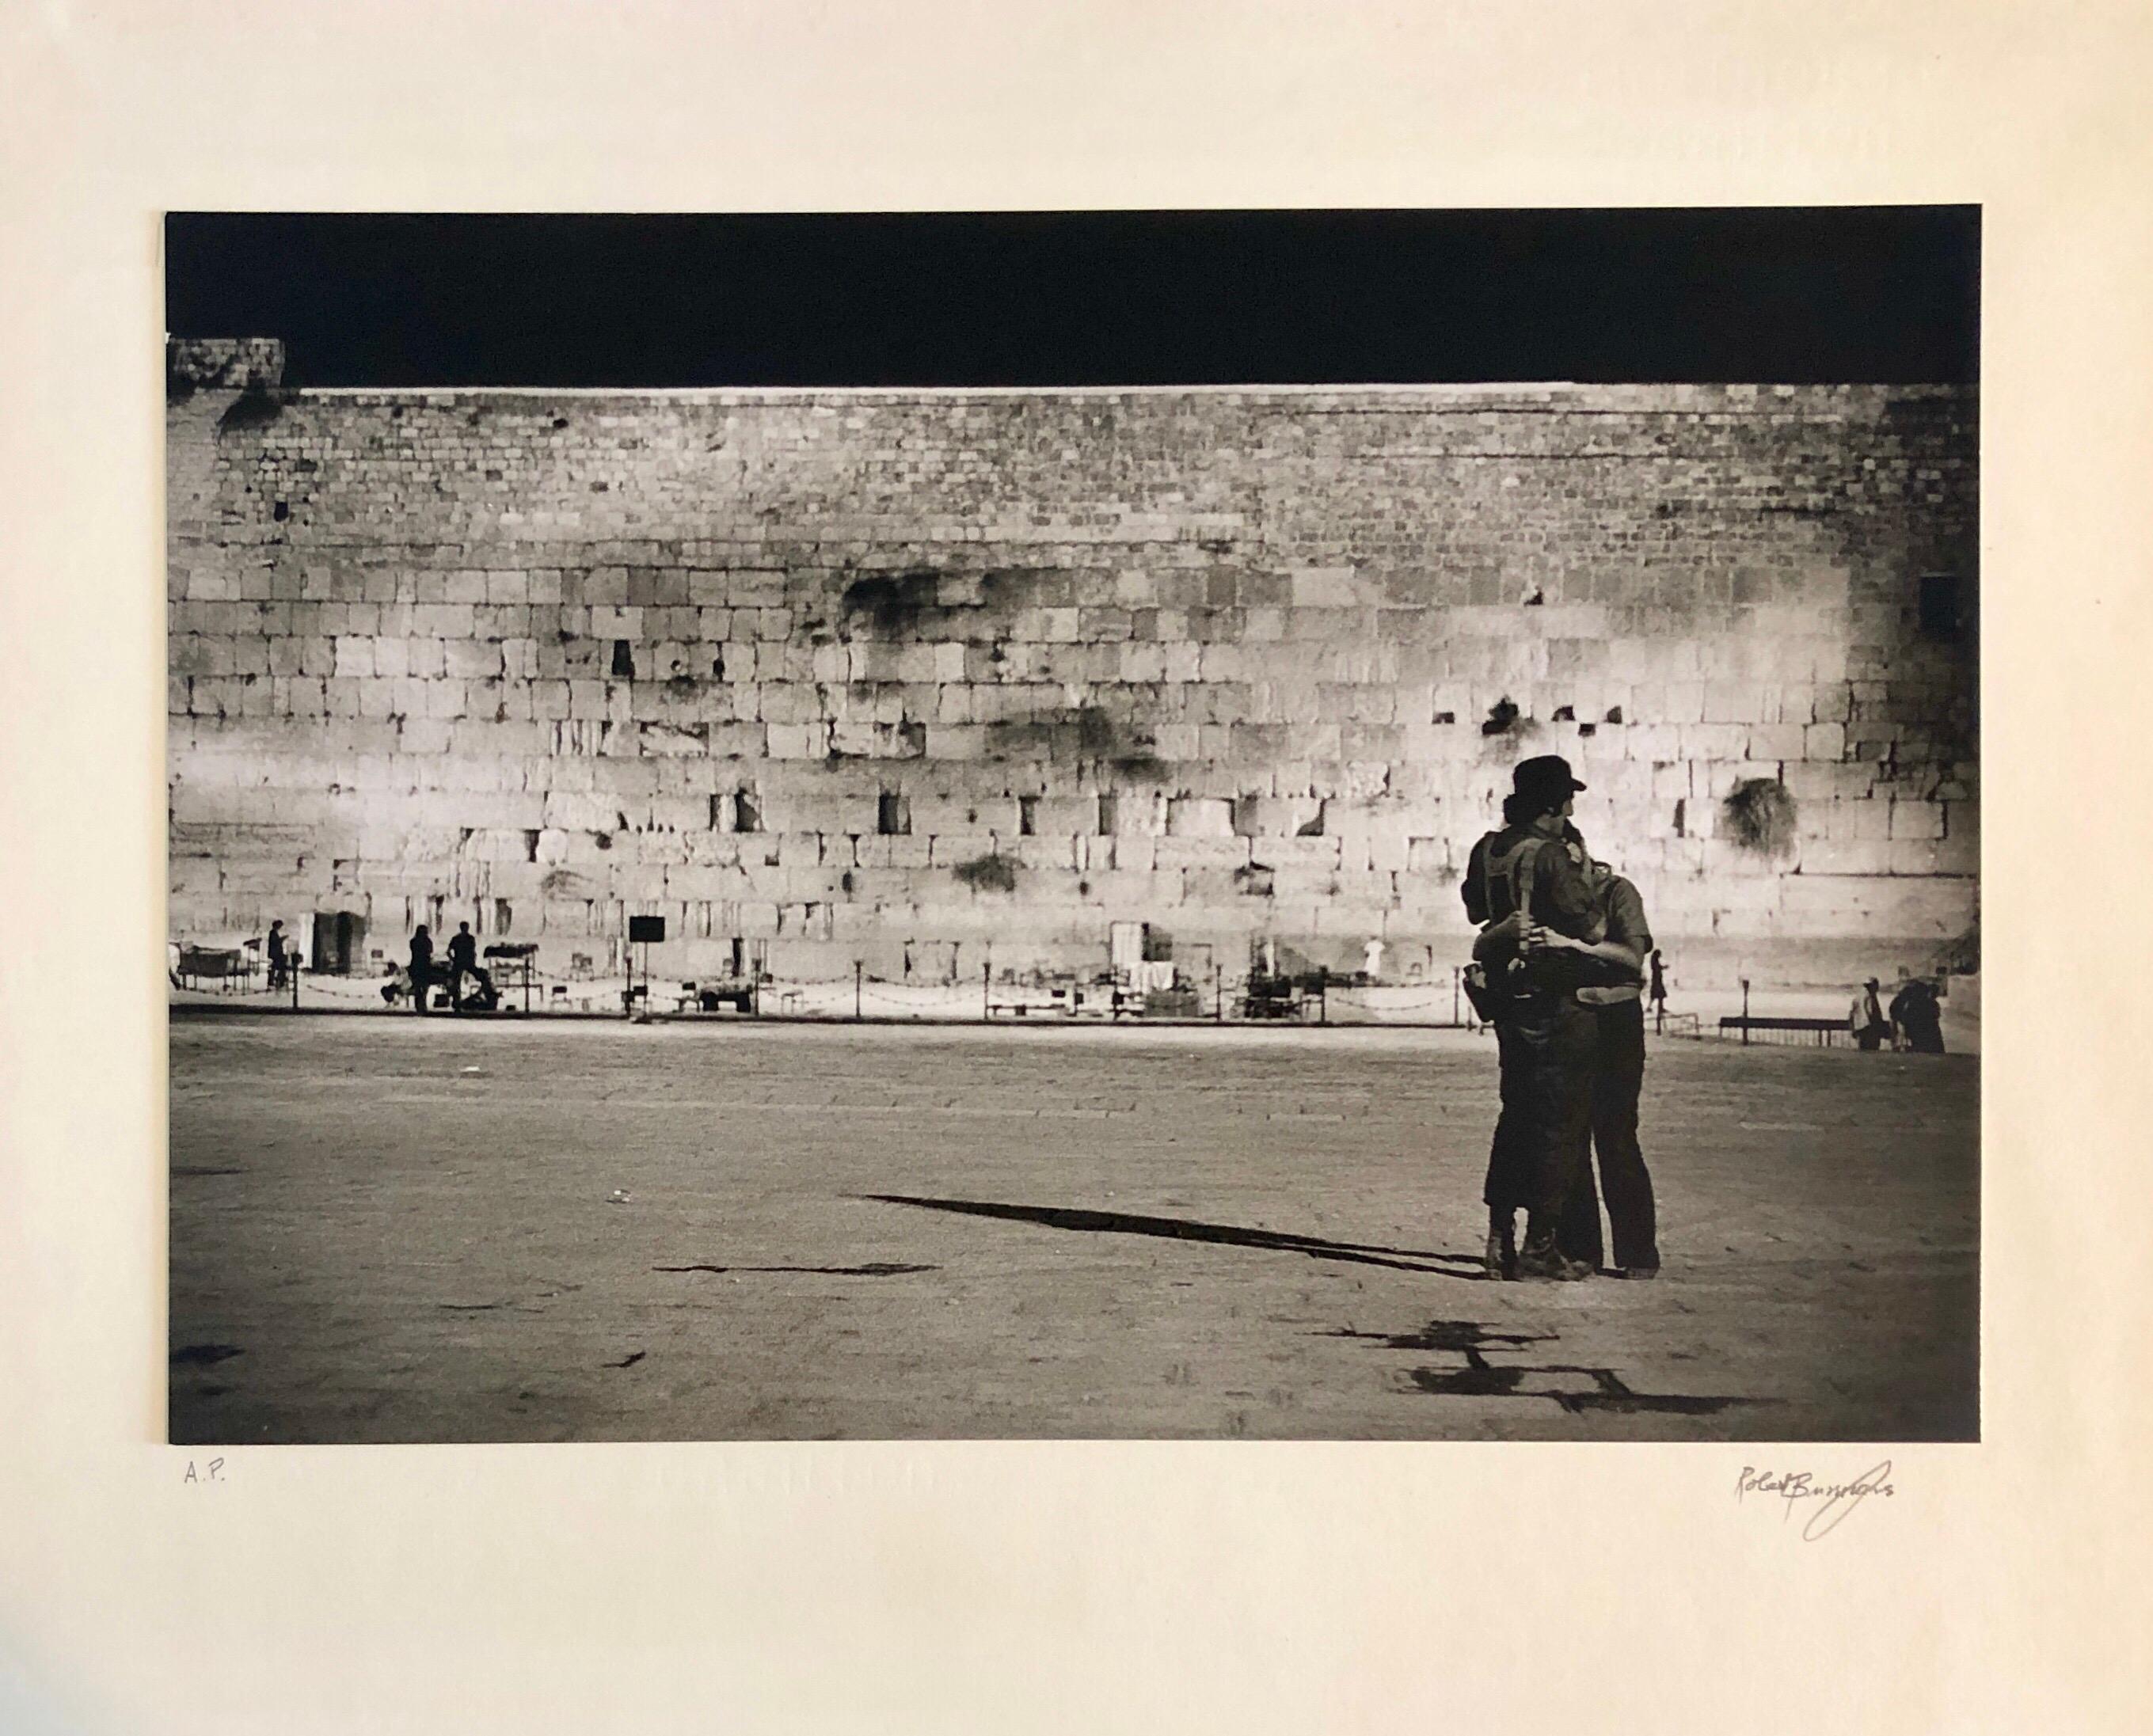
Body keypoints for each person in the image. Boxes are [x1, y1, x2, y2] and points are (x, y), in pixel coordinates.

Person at [1464, 755, 1605, 1282]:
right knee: (1559, 1125)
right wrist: (1585, 870)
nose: (1571, 806)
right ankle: (1539, 1246)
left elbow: (1475, 909)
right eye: (1567, 798)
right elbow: (1587, 924)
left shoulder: (1488, 849)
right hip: (1556, 1003)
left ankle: (1498, 1237)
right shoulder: (1550, 856)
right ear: (1551, 804)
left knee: (1515, 1115)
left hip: (1507, 1001)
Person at [1554, 857, 1662, 1278]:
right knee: (1573, 1137)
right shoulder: (1555, 901)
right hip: (1570, 1020)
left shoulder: (1618, 892)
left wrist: (1575, 948)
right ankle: (1582, 1250)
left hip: (1615, 1021)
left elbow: (1633, 958)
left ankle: (1638, 1252)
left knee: (1616, 1137)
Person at [1890, 976, 1946, 1054]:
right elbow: (1935, 1016)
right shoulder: (1929, 1003)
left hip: (1917, 1034)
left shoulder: (1912, 1003)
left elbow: (1903, 1019)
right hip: (1928, 1034)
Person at [1851, 977, 1891, 1051]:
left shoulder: (1858, 997)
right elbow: (1871, 1013)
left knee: (1863, 1051)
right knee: (1872, 1050)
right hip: (1870, 1028)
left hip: (1859, 1028)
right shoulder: (1870, 997)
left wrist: (1853, 1028)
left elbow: (1852, 1014)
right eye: (1876, 986)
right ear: (1873, 986)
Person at [408, 925, 435, 1015]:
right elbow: (430, 952)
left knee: (417, 987)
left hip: (415, 965)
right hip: (425, 966)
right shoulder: (428, 942)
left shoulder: (413, 941)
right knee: (424, 987)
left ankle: (418, 1006)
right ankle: (423, 1005)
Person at [1648, 948, 1668, 1033]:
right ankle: (1656, 1007)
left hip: (1657, 982)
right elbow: (1658, 969)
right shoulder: (1655, 963)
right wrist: (1664, 967)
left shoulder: (1654, 962)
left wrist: (1663, 968)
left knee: (1656, 997)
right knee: (1659, 996)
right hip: (1657, 983)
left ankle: (1652, 1007)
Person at [266, 920, 290, 990]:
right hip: (275, 954)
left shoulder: (274, 933)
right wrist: (283, 938)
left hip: (277, 953)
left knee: (277, 967)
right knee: (280, 966)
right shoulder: (272, 933)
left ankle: (279, 979)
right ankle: (280, 980)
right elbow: (276, 942)